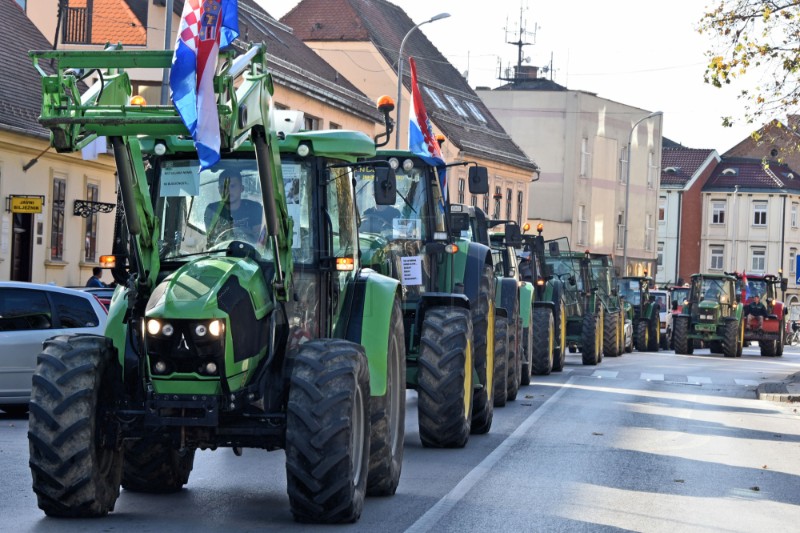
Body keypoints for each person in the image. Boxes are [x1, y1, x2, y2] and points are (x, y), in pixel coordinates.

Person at [204, 173, 262, 242]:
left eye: (232, 186)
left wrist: (237, 229)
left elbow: (259, 240)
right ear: (219, 190)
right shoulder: (212, 210)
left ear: (242, 188)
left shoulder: (254, 208)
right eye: (223, 187)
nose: (227, 191)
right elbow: (211, 240)